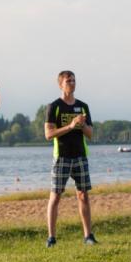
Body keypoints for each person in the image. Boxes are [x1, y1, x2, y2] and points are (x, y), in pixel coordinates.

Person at [45, 70, 96, 248]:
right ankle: (51, 238)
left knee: (83, 195)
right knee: (55, 196)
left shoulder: (83, 106)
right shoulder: (54, 106)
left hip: (80, 156)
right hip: (62, 157)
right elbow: (48, 134)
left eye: (74, 80)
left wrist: (82, 125)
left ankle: (88, 236)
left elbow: (90, 134)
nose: (72, 83)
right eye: (68, 81)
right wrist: (71, 125)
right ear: (61, 84)